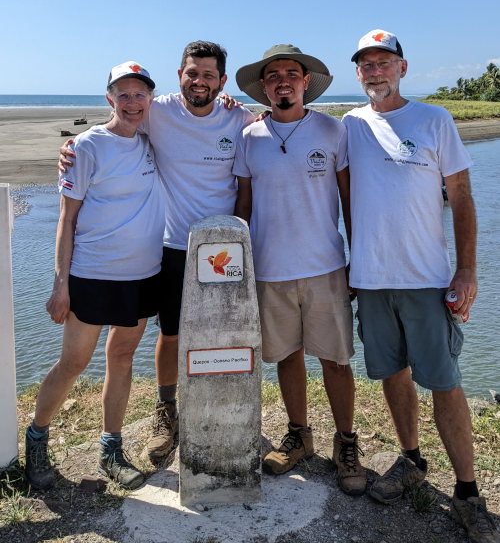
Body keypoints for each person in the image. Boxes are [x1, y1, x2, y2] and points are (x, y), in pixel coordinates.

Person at [59, 41, 255, 464]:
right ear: (179, 75)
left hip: (223, 247)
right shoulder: (158, 111)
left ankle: (220, 411)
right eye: (191, 73)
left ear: (221, 80)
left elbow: (247, 184)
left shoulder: (239, 117)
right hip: (170, 246)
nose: (199, 81)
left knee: (223, 335)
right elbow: (118, 122)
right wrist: (73, 144)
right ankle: (167, 413)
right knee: (170, 334)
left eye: (208, 75)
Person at [344, 29, 499, 542]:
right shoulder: (348, 125)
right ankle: (410, 458)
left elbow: (461, 196)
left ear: (403, 68)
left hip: (427, 279)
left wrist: (468, 269)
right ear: (358, 73)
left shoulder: (434, 119)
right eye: (366, 64)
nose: (375, 71)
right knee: (391, 372)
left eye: (384, 62)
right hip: (369, 279)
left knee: (445, 382)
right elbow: (296, 131)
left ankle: (468, 491)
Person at [233, 45, 366, 496]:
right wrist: (239, 267)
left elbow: (349, 202)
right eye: (273, 75)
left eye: (292, 73)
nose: (283, 80)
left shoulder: (333, 130)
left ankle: (346, 442)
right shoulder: (249, 138)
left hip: (326, 265)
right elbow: (244, 206)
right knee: (286, 356)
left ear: (306, 82)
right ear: (264, 86)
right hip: (270, 269)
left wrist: (357, 261)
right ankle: (299, 434)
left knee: (335, 359)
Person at [26, 61, 165, 490]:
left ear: (151, 99)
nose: (131, 102)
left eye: (139, 94)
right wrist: (59, 284)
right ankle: (36, 438)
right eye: (122, 94)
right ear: (109, 99)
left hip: (143, 276)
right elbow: (66, 221)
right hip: (91, 275)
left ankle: (111, 448)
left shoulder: (153, 140)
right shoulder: (86, 146)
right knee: (74, 362)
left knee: (121, 358)